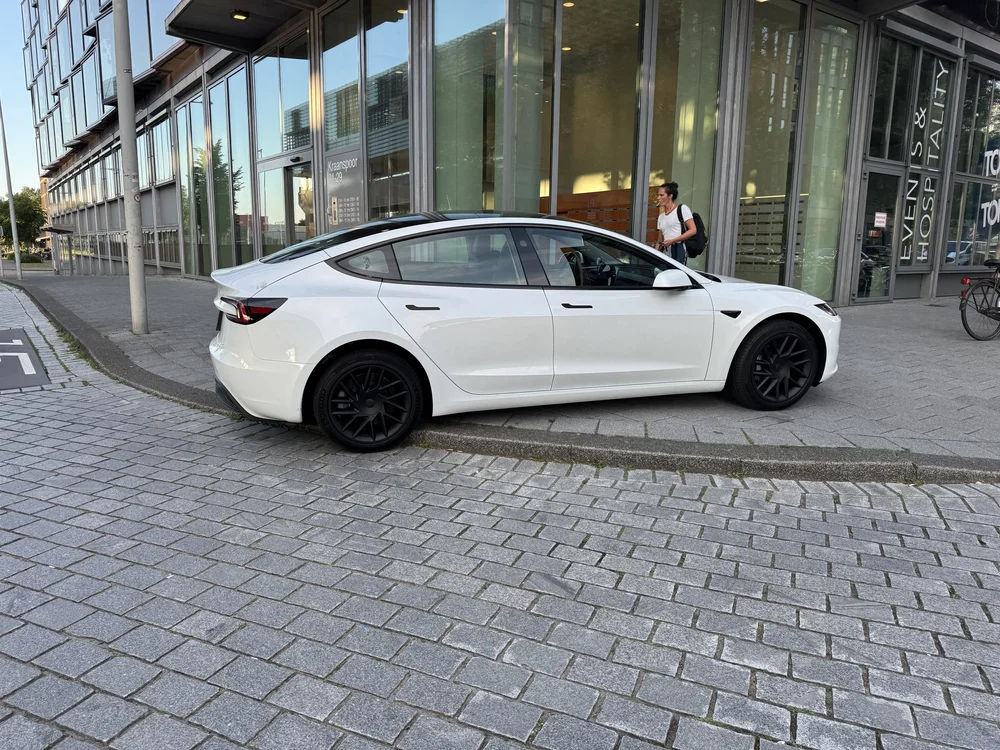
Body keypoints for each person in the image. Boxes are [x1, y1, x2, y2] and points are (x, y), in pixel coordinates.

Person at [655, 182, 696, 265]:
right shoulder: (661, 217)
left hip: (679, 248)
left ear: (670, 196)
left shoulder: (682, 209)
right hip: (667, 252)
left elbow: (693, 230)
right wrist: (654, 253)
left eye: (662, 195)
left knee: (677, 274)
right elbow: (660, 240)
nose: (658, 198)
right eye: (658, 195)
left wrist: (673, 240)